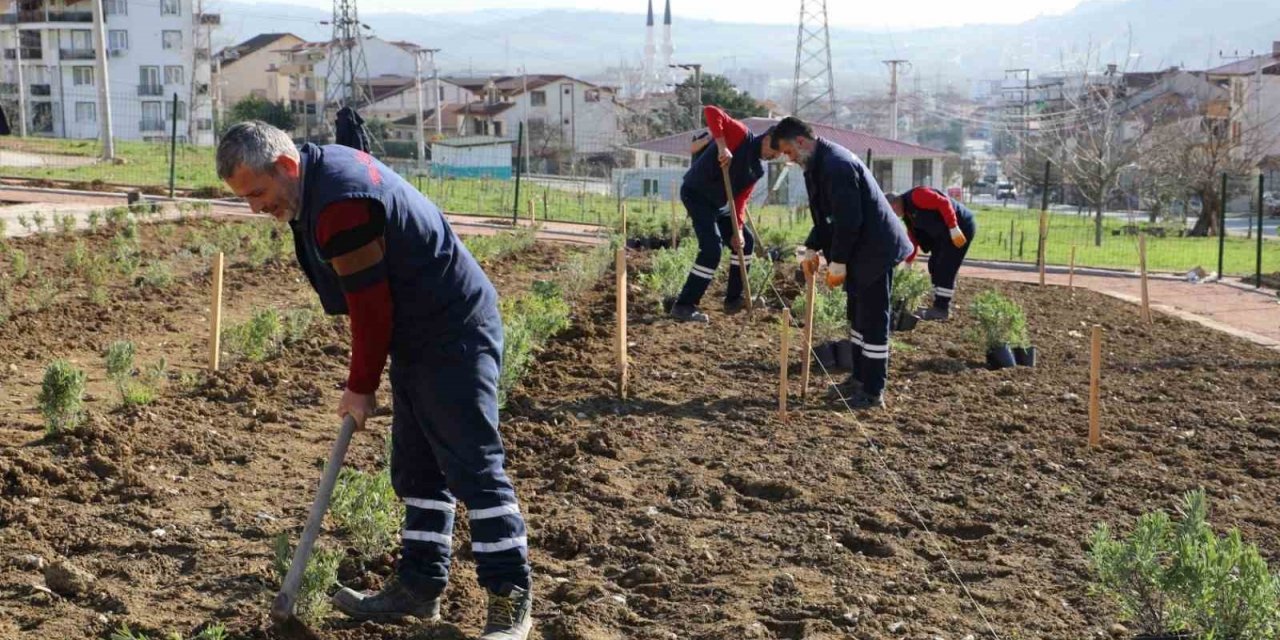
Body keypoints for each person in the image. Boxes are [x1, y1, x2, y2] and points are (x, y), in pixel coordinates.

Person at [216, 122, 532, 640]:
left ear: (287, 167)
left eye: (257, 193)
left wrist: (360, 385)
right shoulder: (317, 173)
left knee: (473, 464)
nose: (254, 208)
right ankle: (419, 587)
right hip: (419, 328)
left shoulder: (341, 205)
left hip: (453, 327)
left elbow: (370, 309)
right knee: (418, 466)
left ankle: (509, 598)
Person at [771, 116, 913, 409]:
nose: (788, 158)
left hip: (875, 249)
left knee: (873, 321)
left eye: (788, 151)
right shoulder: (815, 164)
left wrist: (838, 262)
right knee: (858, 318)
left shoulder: (836, 165)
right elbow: (826, 215)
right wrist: (811, 247)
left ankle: (873, 391)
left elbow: (849, 220)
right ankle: (859, 378)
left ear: (800, 141)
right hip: (859, 247)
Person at [669, 105, 781, 323]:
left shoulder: (756, 169)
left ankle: (733, 299)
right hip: (696, 194)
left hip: (719, 205)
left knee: (745, 241)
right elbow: (711, 111)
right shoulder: (740, 134)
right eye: (775, 152)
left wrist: (737, 229)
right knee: (711, 248)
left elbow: (740, 199)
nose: (774, 157)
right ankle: (684, 305)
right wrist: (722, 146)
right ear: (767, 139)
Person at [888, 188, 974, 320]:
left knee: (946, 266)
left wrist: (953, 227)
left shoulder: (917, 195)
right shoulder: (907, 213)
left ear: (895, 204)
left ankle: (941, 309)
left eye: (891, 211)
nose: (892, 215)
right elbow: (913, 237)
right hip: (944, 233)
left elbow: (943, 203)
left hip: (960, 226)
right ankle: (938, 305)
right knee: (934, 265)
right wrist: (908, 261)